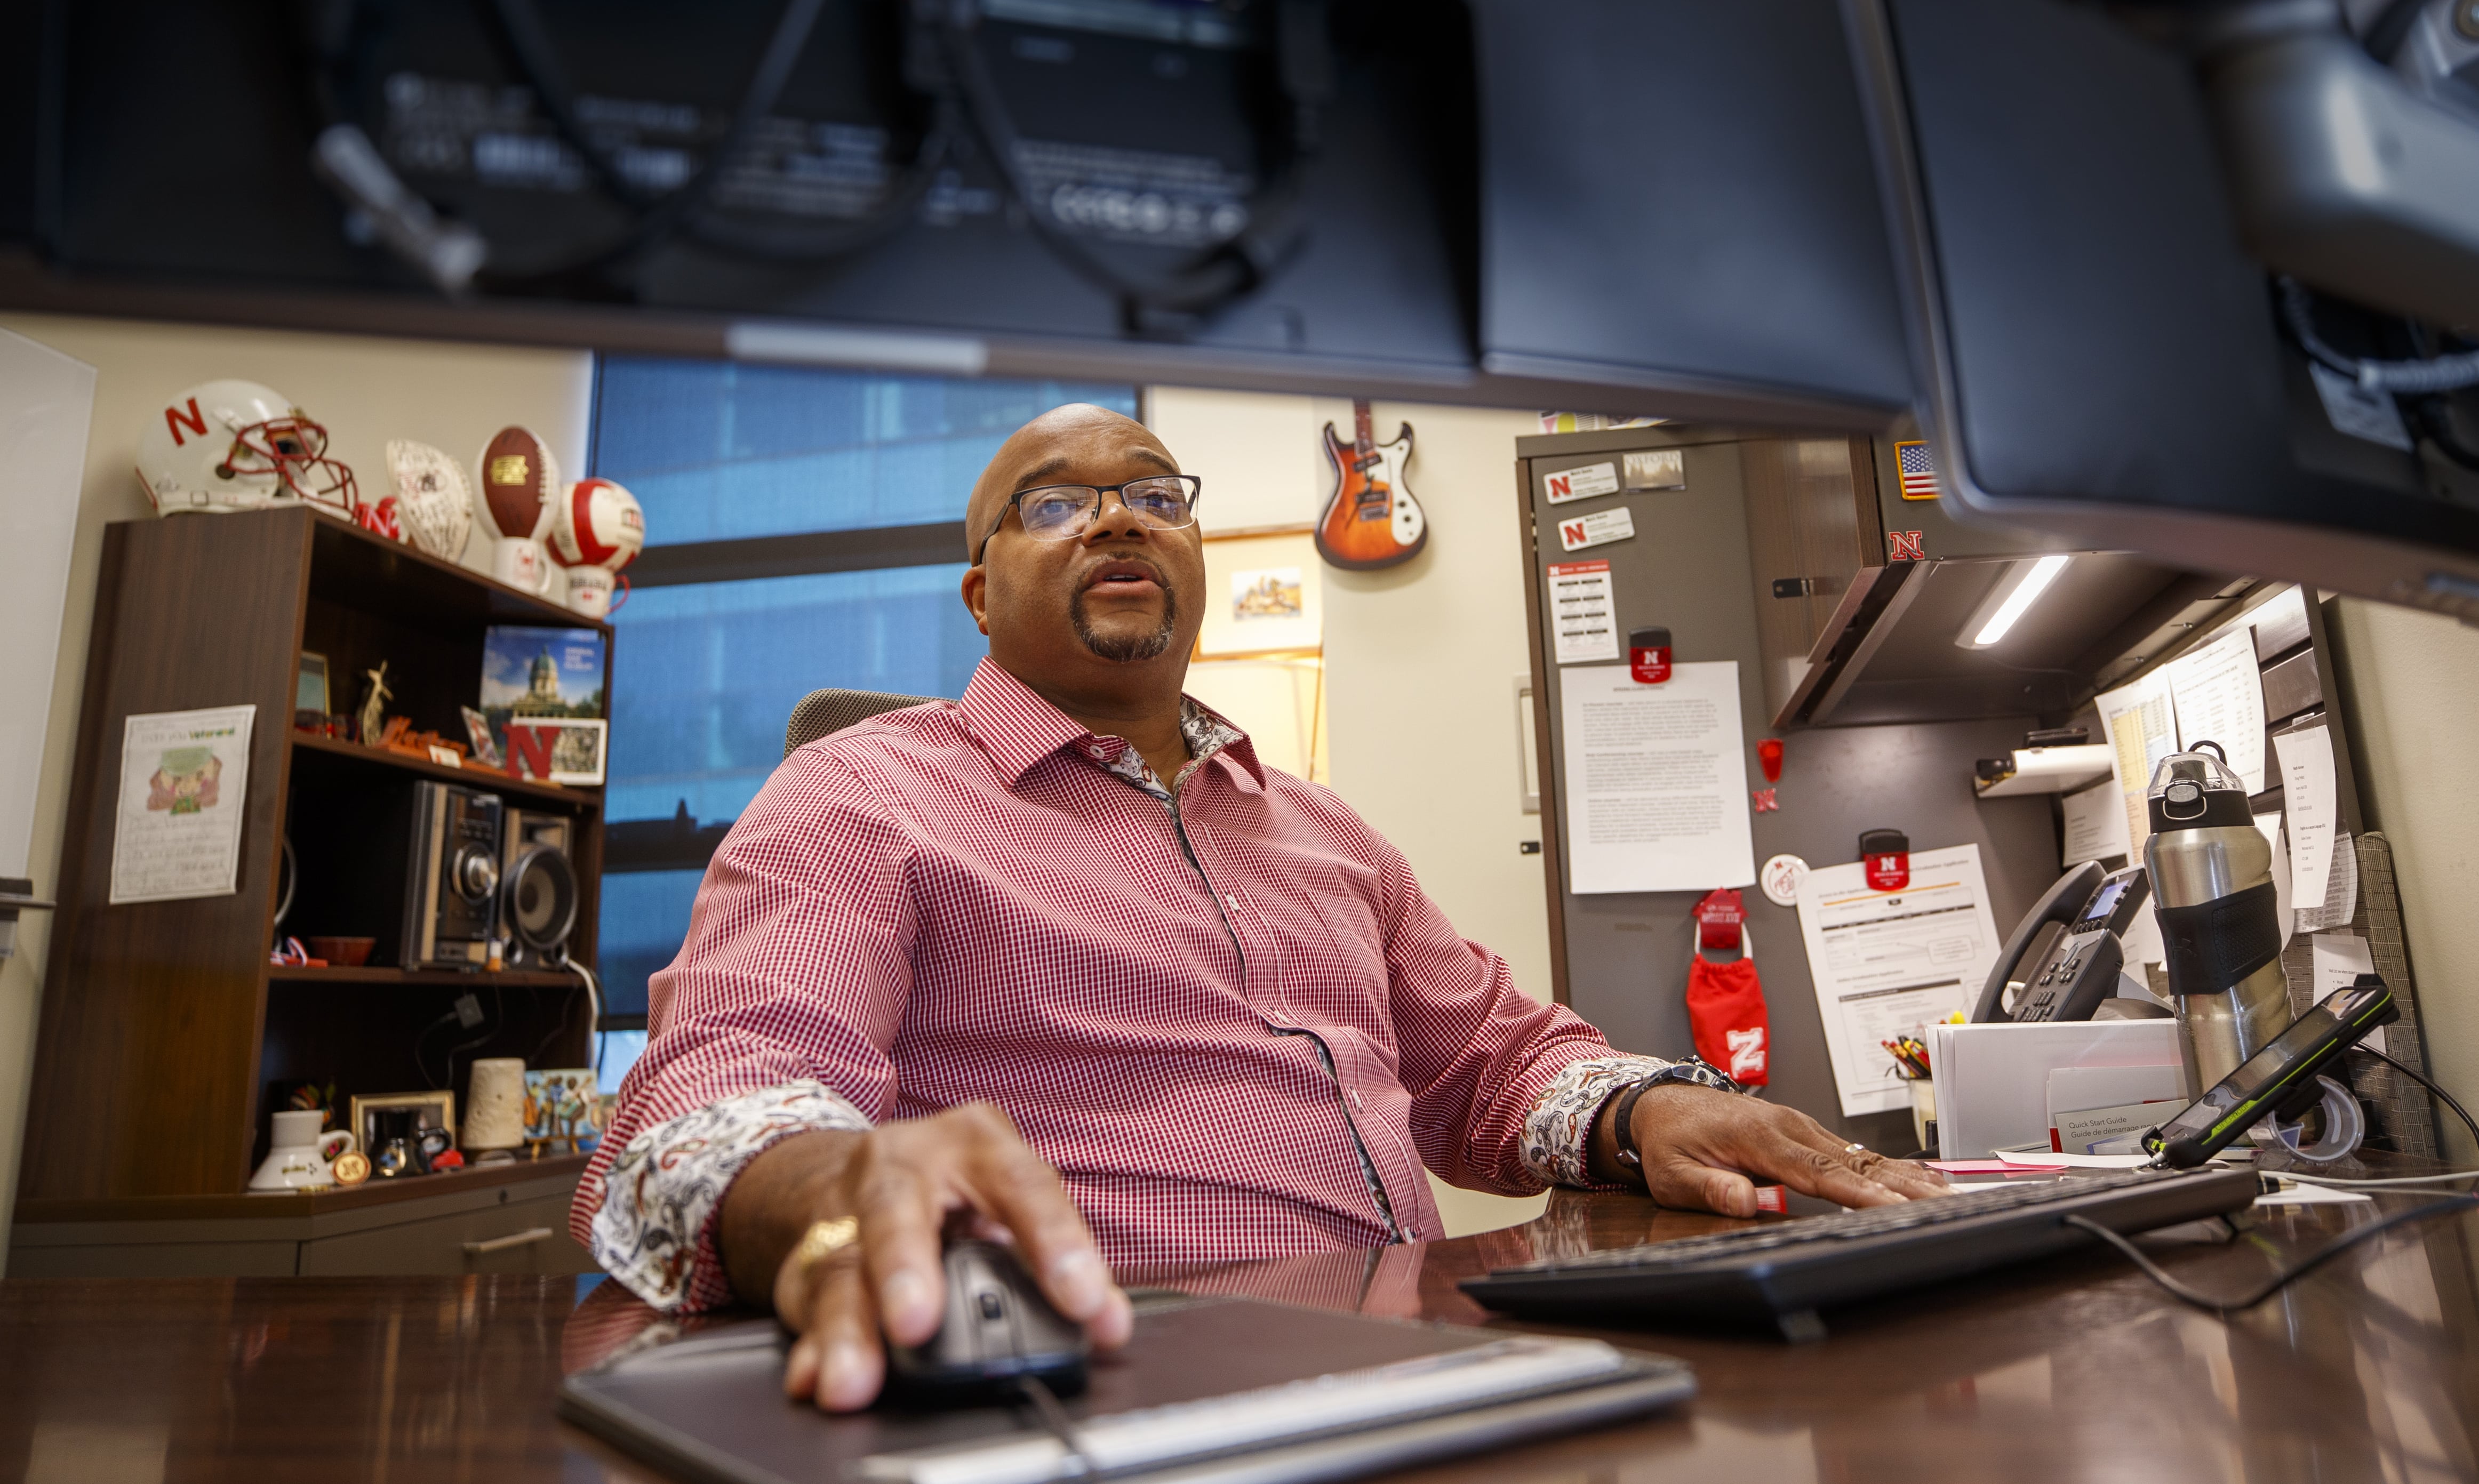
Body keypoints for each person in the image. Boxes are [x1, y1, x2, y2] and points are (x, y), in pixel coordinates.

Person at [574, 404, 1948, 1409]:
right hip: (1115, 1398)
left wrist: (1648, 1108)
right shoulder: (864, 793)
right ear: (978, 595)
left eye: (1156, 495)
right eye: (1053, 503)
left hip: (1419, 1376)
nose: (1117, 516)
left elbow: (1495, 1065)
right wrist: (827, 1198)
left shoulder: (1321, 827)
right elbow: (721, 1095)